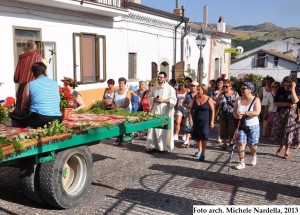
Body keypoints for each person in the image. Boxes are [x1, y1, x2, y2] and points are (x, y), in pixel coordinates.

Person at [10, 62, 62, 128]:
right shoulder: (55, 83)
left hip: (40, 118)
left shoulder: (30, 84)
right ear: (45, 71)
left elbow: (24, 104)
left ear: (33, 73)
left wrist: (23, 111)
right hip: (58, 119)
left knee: (13, 114)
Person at [145, 72, 177, 152]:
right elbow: (150, 97)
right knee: (152, 129)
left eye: (161, 77)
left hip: (164, 111)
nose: (159, 79)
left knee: (162, 130)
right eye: (158, 77)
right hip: (155, 111)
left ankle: (162, 147)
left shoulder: (170, 88)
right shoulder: (154, 88)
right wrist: (154, 99)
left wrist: (164, 100)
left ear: (165, 78)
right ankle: (151, 146)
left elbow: (173, 100)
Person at [14, 40, 50, 110]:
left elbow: (16, 77)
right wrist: (49, 58)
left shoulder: (22, 57)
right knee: (31, 108)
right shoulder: (37, 55)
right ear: (35, 47)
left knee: (21, 110)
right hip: (33, 85)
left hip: (22, 86)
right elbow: (43, 66)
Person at [233, 82, 261, 170]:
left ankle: (254, 154)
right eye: (241, 88)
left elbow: (257, 112)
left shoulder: (256, 99)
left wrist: (245, 113)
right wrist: (237, 115)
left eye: (244, 88)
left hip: (253, 125)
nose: (242, 90)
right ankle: (242, 162)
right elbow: (234, 111)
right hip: (241, 125)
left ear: (250, 90)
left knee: (252, 144)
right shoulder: (239, 99)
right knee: (241, 143)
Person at [271, 76, 300, 159]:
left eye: (289, 85)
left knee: (289, 132)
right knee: (280, 131)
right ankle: (281, 146)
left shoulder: (297, 90)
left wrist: (293, 90)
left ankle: (287, 150)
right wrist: (287, 104)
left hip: (293, 115)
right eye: (285, 85)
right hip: (281, 113)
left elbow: (295, 101)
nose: (287, 87)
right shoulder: (280, 90)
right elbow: (276, 103)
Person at [189, 84, 215, 161]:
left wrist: (212, 121)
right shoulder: (195, 98)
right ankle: (199, 150)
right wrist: (190, 119)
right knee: (197, 136)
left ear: (204, 90)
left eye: (199, 90)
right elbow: (191, 109)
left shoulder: (209, 99)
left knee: (204, 136)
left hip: (205, 121)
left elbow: (213, 111)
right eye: (197, 89)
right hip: (196, 120)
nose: (197, 91)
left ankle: (203, 152)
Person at [216, 79, 239, 150]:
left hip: (232, 114)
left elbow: (239, 104)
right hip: (223, 114)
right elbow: (217, 104)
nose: (225, 88)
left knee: (231, 129)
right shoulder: (221, 94)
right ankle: (225, 143)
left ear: (230, 87)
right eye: (224, 86)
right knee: (223, 128)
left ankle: (231, 140)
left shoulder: (235, 94)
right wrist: (215, 114)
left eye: (226, 86)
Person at [112, 77, 132, 145]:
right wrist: (113, 106)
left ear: (125, 84)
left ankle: (129, 137)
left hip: (125, 111)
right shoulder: (116, 91)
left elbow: (126, 104)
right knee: (118, 125)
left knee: (126, 124)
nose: (121, 85)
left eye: (122, 83)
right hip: (117, 111)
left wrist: (118, 108)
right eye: (120, 83)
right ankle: (119, 138)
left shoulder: (127, 92)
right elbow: (113, 101)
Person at [182, 80, 199, 147]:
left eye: (194, 86)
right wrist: (188, 106)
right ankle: (187, 140)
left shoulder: (199, 94)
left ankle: (195, 140)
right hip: (189, 112)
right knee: (187, 125)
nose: (193, 87)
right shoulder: (188, 94)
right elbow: (183, 103)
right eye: (192, 85)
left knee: (196, 126)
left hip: (197, 112)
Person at [211, 77, 224, 143]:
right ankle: (219, 136)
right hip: (216, 107)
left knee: (224, 123)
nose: (219, 84)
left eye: (221, 83)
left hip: (224, 108)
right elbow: (211, 99)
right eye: (218, 82)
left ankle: (224, 137)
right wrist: (215, 103)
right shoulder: (214, 91)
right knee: (218, 123)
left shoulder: (225, 91)